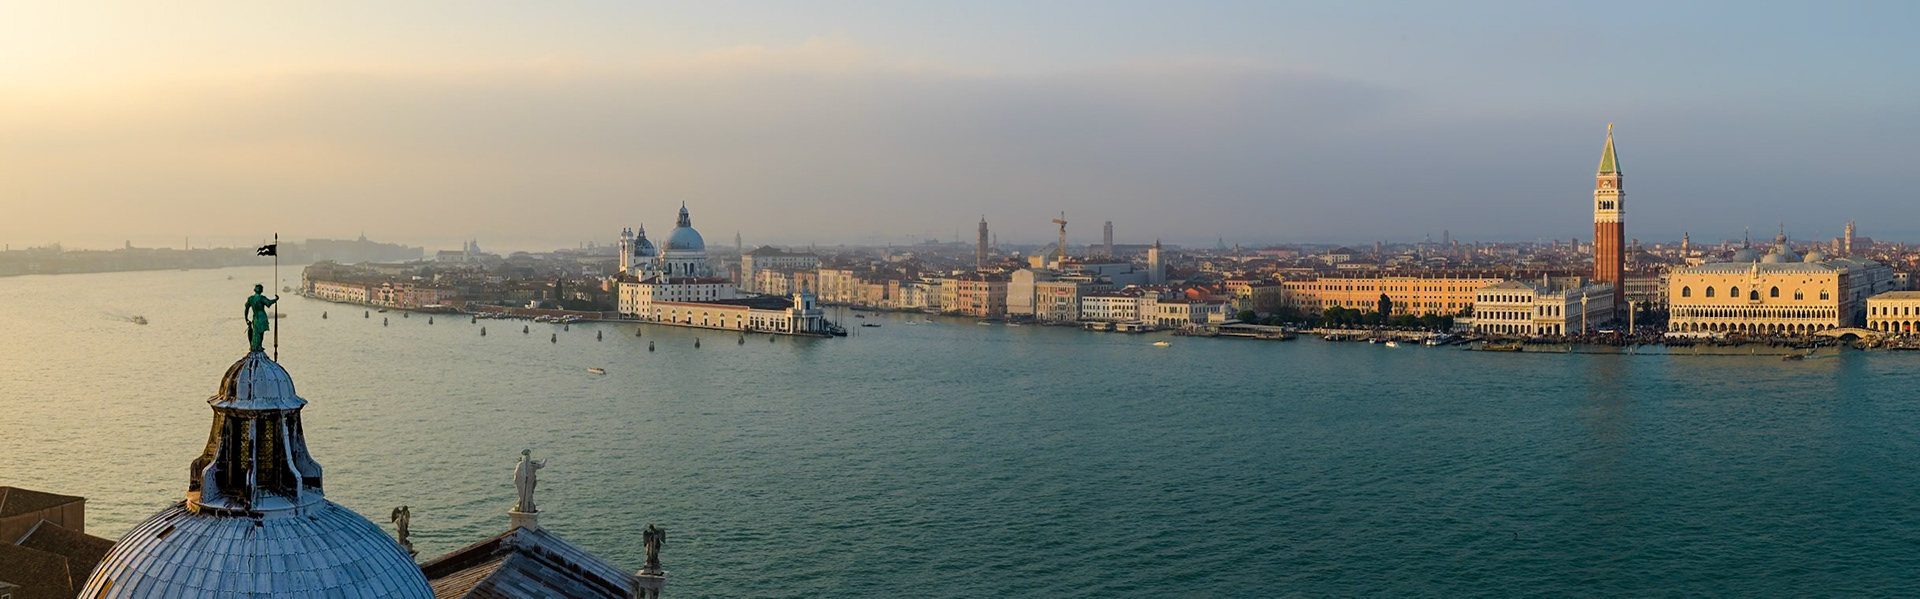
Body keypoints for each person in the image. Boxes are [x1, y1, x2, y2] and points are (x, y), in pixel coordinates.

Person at [245, 284, 279, 351]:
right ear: (261, 290)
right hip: (262, 316)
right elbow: (269, 302)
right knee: (260, 333)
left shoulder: (251, 299)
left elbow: (246, 309)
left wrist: (246, 319)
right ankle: (258, 346)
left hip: (255, 317)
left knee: (256, 332)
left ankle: (255, 346)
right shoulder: (261, 298)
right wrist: (276, 299)